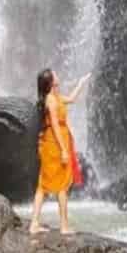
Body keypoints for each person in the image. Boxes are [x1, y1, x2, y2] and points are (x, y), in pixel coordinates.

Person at [28, 68, 91, 235]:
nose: (58, 75)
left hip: (56, 141)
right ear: (50, 81)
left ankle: (34, 224)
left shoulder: (55, 96)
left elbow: (71, 99)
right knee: (61, 185)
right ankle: (64, 226)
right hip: (54, 144)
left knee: (43, 185)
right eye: (55, 74)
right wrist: (63, 149)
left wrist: (81, 83)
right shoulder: (50, 99)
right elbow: (55, 126)